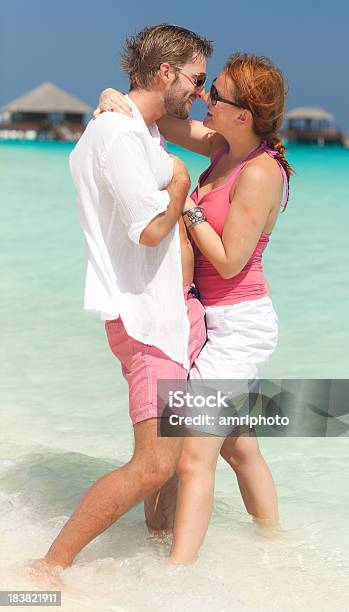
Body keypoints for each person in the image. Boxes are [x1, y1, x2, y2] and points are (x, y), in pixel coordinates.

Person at [29, 23, 213, 584]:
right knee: (154, 462)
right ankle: (48, 566)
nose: (200, 93)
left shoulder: (135, 129)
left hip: (162, 314)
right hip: (144, 319)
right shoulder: (118, 136)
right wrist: (181, 184)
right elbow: (150, 230)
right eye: (197, 79)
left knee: (172, 457)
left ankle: (156, 565)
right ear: (165, 72)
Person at [97, 52, 293, 564]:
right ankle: (278, 547)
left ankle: (177, 578)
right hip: (210, 316)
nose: (205, 99)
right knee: (238, 446)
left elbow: (229, 262)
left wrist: (185, 201)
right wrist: (110, 101)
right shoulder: (222, 145)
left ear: (243, 115)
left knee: (194, 456)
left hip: (238, 324)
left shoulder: (259, 172)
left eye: (216, 95)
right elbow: (156, 116)